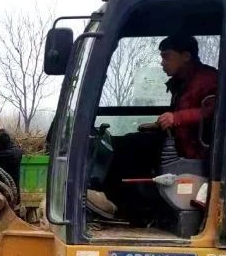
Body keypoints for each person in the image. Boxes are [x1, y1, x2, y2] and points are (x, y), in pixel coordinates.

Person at [93, 34, 218, 220]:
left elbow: (215, 112)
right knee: (125, 143)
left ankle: (113, 201)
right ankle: (125, 204)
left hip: (196, 150)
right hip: (180, 140)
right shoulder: (183, 81)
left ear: (185, 56)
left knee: (129, 147)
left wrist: (177, 118)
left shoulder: (209, 80)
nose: (162, 63)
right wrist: (159, 125)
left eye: (167, 57)